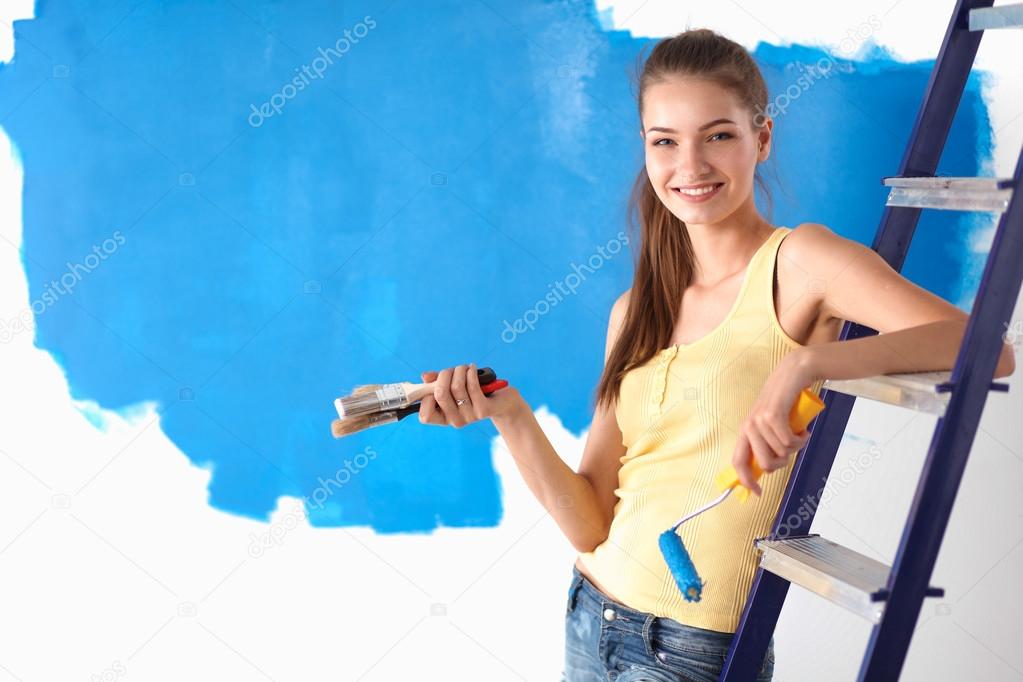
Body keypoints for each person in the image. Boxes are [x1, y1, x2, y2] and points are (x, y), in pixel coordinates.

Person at [416, 28, 1015, 682]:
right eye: (664, 142)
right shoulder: (633, 311)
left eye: (718, 135)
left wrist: (807, 364)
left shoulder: (800, 264)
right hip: (589, 618)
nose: (690, 166)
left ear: (761, 138)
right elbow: (589, 524)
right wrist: (510, 416)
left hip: (691, 648)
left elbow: (988, 350)